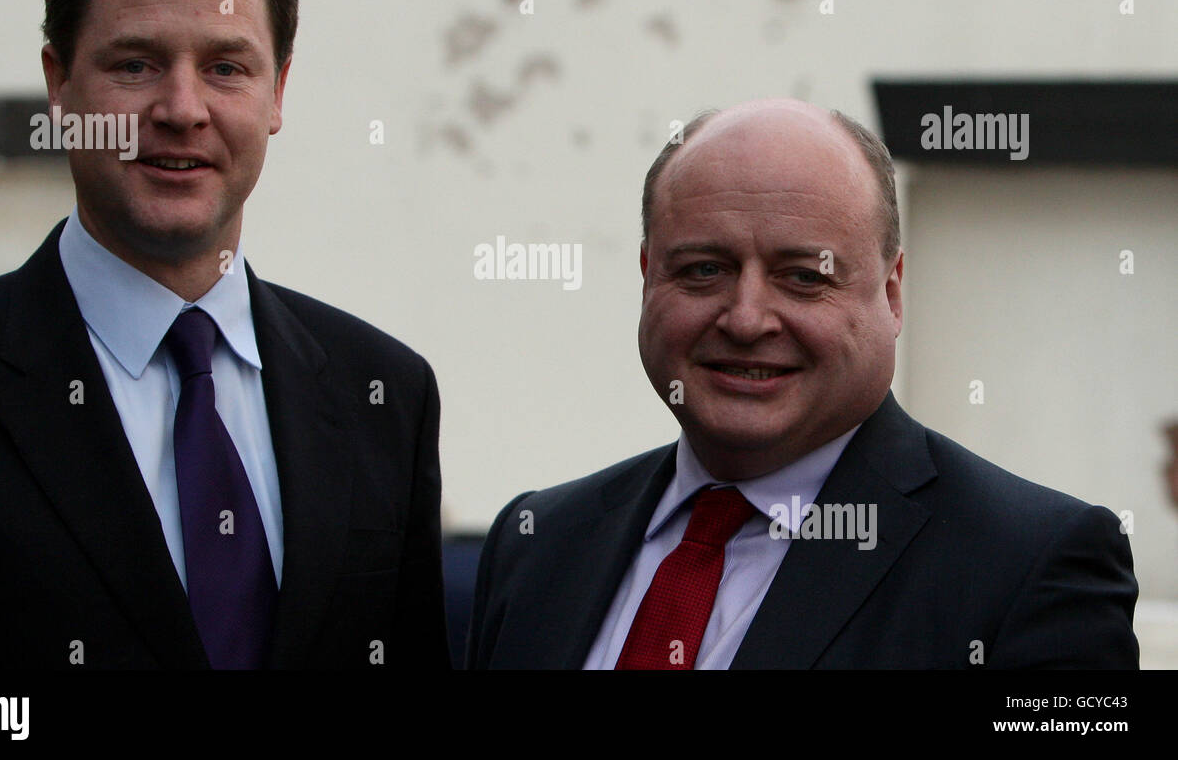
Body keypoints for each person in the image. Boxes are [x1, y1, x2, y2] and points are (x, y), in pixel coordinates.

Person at [0, 0, 447, 670]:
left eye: (226, 67)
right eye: (137, 64)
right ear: (59, 84)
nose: (182, 108)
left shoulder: (384, 395)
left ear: (278, 89)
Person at [466, 99, 1139, 669]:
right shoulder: (538, 543)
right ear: (647, 277)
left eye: (804, 276)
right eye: (704, 269)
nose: (747, 317)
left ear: (893, 292)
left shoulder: (1030, 567)